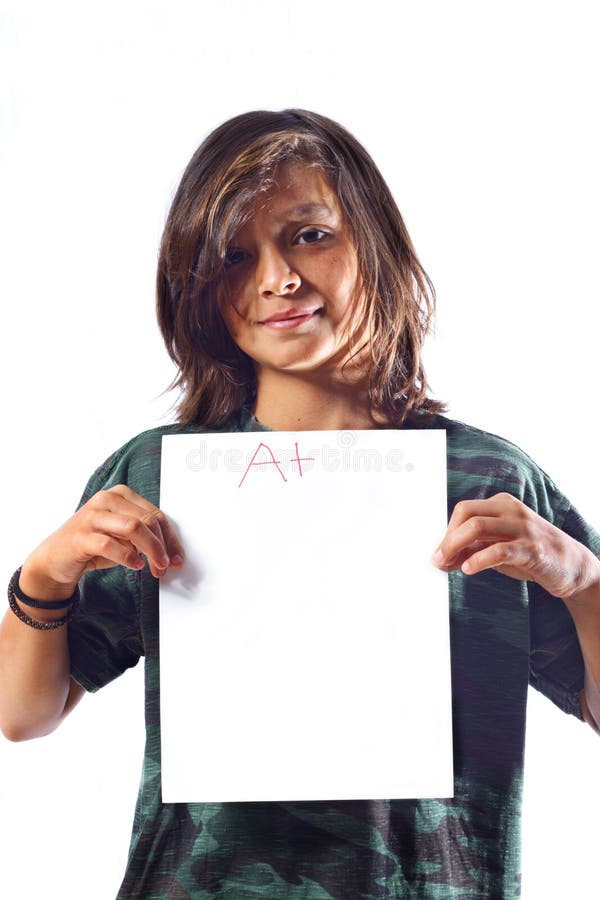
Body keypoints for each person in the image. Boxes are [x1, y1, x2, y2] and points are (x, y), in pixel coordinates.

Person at [1, 108, 599, 899]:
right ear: (200, 288)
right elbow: (24, 715)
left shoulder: (485, 477)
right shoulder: (160, 475)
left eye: (310, 236)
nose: (277, 278)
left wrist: (582, 578)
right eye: (234, 256)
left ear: (374, 245)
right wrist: (46, 573)